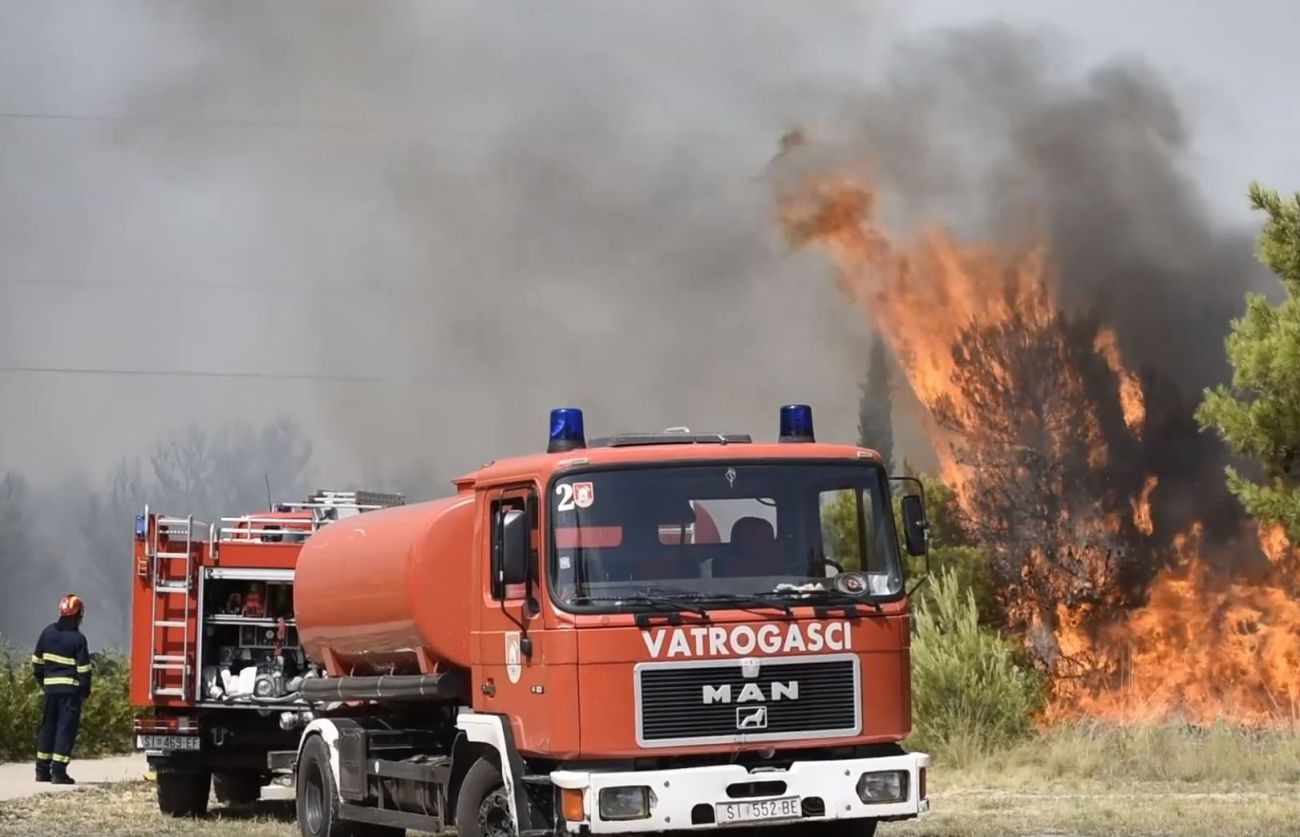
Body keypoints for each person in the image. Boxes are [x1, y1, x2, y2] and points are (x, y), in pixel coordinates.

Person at [31, 594, 93, 784]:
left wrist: (45, 682)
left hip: (50, 690)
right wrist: (85, 691)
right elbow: (84, 670)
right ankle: (58, 773)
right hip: (70, 693)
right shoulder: (78, 639)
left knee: (48, 728)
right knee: (65, 730)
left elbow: (36, 663)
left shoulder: (47, 633)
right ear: (78, 614)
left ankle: (42, 771)